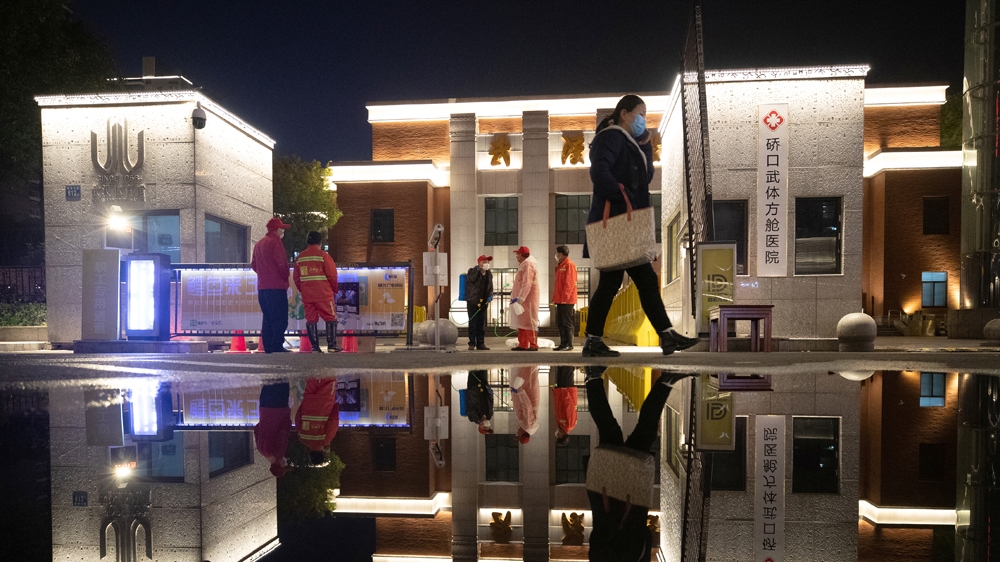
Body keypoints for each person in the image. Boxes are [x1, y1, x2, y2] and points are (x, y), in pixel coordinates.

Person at [584, 94, 699, 358]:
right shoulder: (611, 136)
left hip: (625, 222)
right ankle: (665, 336)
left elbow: (645, 176)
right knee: (636, 280)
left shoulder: (629, 143)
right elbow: (599, 173)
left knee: (626, 281)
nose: (643, 119)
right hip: (616, 222)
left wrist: (645, 146)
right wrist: (621, 195)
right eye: (640, 112)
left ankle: (662, 336)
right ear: (624, 114)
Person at [585, 366, 695, 561]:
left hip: (616, 494)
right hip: (620, 493)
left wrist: (620, 521)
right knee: (626, 430)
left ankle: (594, 377)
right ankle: (594, 377)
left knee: (626, 430)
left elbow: (641, 537)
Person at [251, 217, 292, 353]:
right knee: (280, 317)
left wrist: (264, 275)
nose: (283, 231)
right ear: (277, 229)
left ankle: (268, 345)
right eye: (282, 229)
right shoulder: (275, 242)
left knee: (268, 317)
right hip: (276, 286)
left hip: (262, 287)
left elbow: (254, 265)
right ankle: (276, 345)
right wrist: (285, 276)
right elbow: (281, 264)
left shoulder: (259, 243)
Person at [293, 231, 339, 353]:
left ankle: (314, 347)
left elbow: (296, 278)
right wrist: (334, 289)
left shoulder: (300, 257)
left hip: (308, 295)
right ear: (320, 242)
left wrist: (303, 289)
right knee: (330, 318)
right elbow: (332, 275)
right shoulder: (323, 256)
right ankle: (332, 346)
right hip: (323, 293)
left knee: (311, 319)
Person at [295, 377, 340, 466]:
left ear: (322, 453)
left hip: (325, 402)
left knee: (329, 378)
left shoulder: (326, 439)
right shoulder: (302, 438)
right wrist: (304, 406)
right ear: (310, 453)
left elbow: (333, 420)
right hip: (309, 403)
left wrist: (336, 406)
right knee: (311, 378)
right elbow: (298, 418)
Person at [254, 381, 291, 477]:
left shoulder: (278, 452)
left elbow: (283, 432)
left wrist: (288, 420)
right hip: (264, 408)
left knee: (283, 379)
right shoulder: (261, 450)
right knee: (269, 378)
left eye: (284, 465)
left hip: (279, 409)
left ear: (279, 464)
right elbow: (257, 428)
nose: (285, 462)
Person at [509, 246, 540, 351]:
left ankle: (533, 344)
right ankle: (523, 344)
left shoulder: (527, 265)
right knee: (522, 321)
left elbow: (527, 283)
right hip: (522, 299)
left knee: (530, 321)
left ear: (522, 255)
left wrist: (521, 298)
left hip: (528, 299)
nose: (516, 256)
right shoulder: (524, 265)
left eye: (517, 254)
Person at [552, 245, 578, 351]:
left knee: (567, 322)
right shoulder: (560, 265)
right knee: (560, 322)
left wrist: (565, 297)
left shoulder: (569, 265)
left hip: (566, 300)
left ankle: (569, 344)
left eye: (558, 253)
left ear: (561, 254)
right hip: (560, 299)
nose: (556, 255)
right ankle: (563, 344)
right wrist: (555, 298)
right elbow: (558, 284)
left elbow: (569, 283)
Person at [465, 255, 494, 351]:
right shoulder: (472, 271)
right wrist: (478, 270)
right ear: (479, 263)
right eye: (485, 261)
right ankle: (472, 343)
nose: (487, 264)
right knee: (473, 323)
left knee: (481, 324)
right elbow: (471, 279)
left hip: (483, 302)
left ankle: (480, 343)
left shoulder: (489, 274)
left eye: (488, 262)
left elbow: (490, 287)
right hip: (473, 301)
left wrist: (490, 295)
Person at [511, 365, 540, 444]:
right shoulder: (527, 425)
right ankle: (528, 354)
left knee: (525, 370)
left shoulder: (525, 425)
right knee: (527, 369)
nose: (517, 433)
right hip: (526, 389)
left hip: (524, 390)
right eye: (518, 435)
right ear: (522, 435)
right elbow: (527, 406)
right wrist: (519, 390)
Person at [553, 366, 578, 446]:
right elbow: (569, 406)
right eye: (558, 436)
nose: (556, 434)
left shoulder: (560, 425)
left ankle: (561, 354)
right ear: (562, 436)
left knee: (560, 368)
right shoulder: (570, 425)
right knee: (566, 369)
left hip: (560, 391)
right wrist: (565, 392)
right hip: (567, 390)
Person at [465, 370, 494, 435]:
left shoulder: (473, 418)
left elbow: (472, 410)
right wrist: (490, 393)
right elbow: (490, 402)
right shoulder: (490, 414)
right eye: (488, 427)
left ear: (480, 426)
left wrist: (479, 419)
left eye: (485, 427)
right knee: (483, 369)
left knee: (473, 370)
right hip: (484, 388)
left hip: (473, 389)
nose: (487, 426)